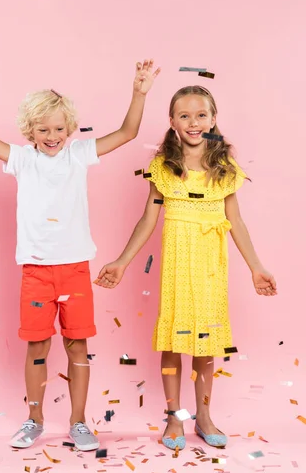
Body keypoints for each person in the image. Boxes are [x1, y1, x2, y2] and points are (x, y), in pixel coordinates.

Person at [0, 60, 161, 450]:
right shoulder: (22, 159)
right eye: (43, 129)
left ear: (70, 129)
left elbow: (127, 132)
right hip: (36, 273)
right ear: (30, 131)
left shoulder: (78, 156)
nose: (52, 136)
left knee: (78, 346)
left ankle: (79, 422)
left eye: (58, 129)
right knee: (37, 347)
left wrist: (139, 92)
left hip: (74, 270)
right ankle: (34, 418)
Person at [95, 85, 277, 450]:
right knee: (174, 341)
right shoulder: (163, 166)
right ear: (172, 122)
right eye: (184, 115)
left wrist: (256, 266)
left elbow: (236, 221)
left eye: (200, 115)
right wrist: (122, 261)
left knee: (206, 343)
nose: (193, 122)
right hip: (178, 261)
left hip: (211, 263)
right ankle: (175, 415)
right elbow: (148, 218)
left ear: (213, 119)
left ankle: (205, 416)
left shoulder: (225, 168)